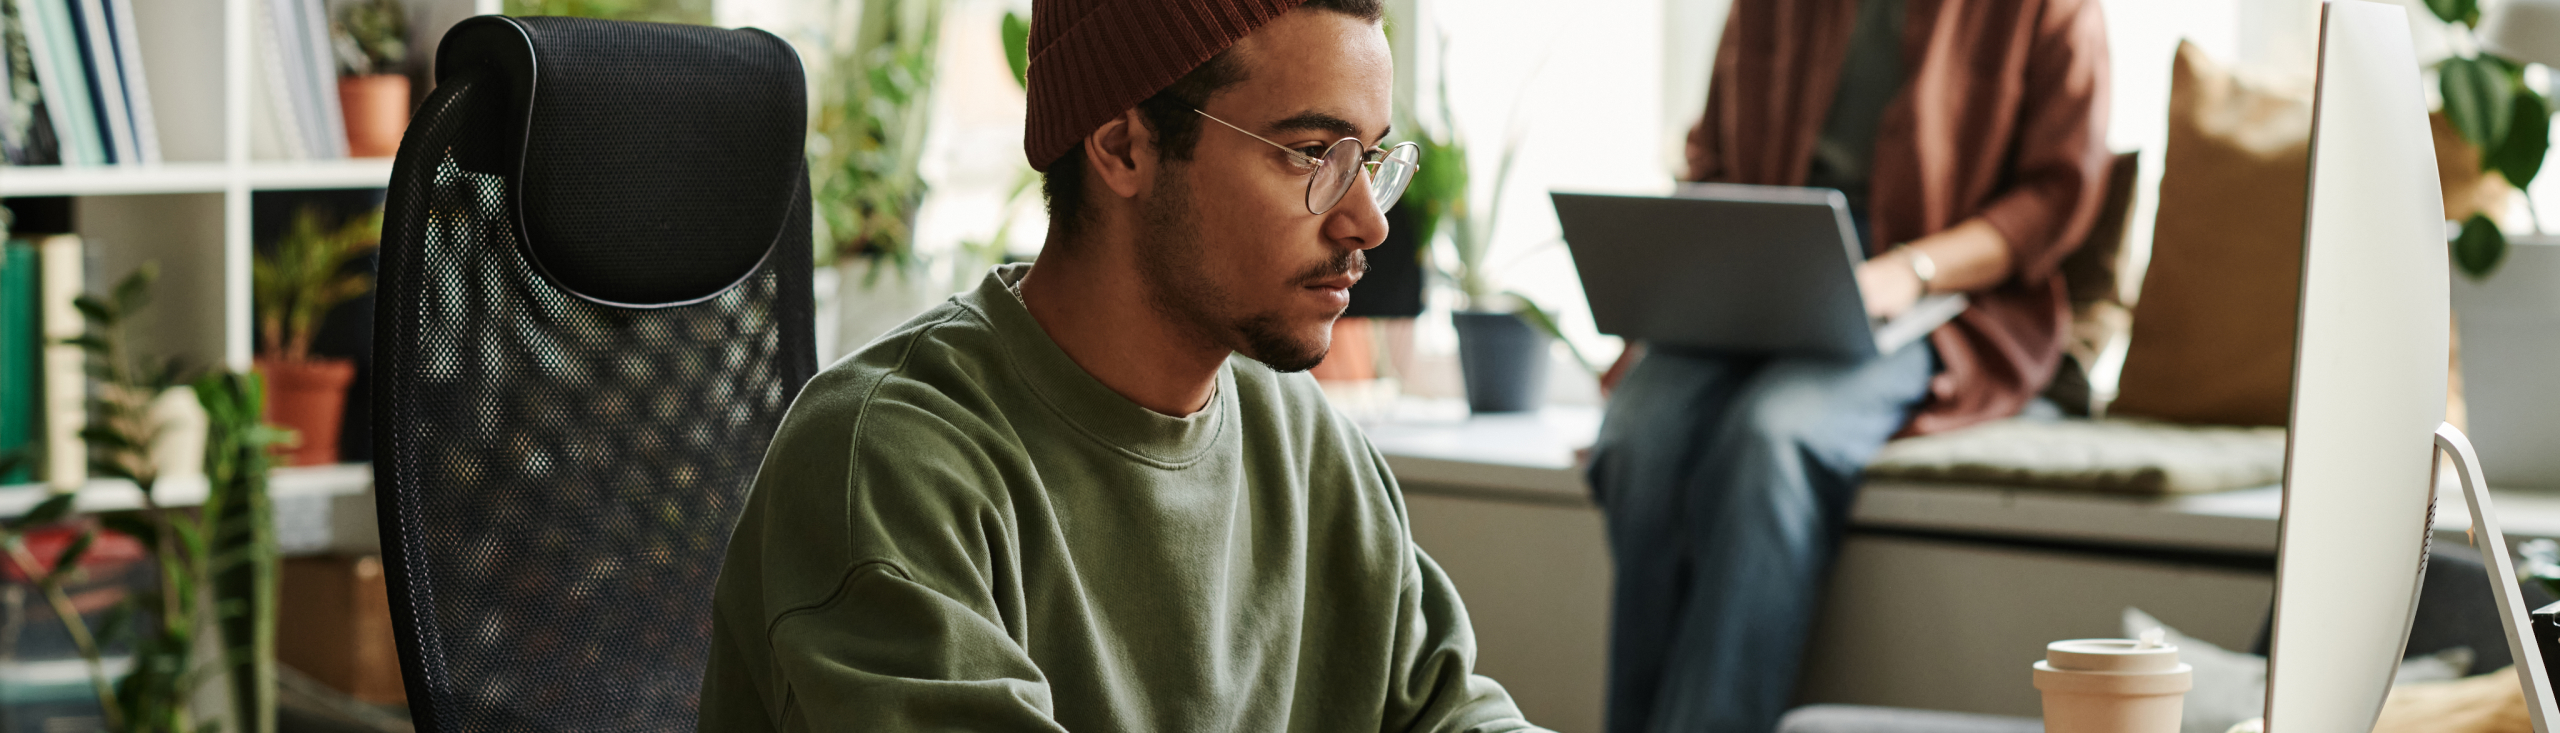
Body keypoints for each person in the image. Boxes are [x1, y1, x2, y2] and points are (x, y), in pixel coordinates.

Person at [697, 0, 1546, 730]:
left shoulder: (1304, 440)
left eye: (1370, 160)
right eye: (1311, 153)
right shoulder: (890, 462)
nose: (1368, 220)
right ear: (1122, 146)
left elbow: (1447, 708)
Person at [1586, 2, 2112, 732]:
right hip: (1766, 257)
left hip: (1943, 292)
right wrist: (1696, 258)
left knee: (1775, 435)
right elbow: (1711, 157)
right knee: (1639, 433)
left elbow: (2059, 193)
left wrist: (1913, 268)